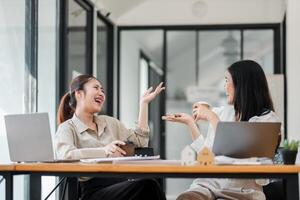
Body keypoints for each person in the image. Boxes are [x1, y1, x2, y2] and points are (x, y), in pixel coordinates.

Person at [163, 60, 281, 200]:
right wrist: (190, 123)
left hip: (242, 191)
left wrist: (212, 117)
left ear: (242, 84)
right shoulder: (224, 113)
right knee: (186, 198)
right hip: (208, 185)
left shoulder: (268, 121)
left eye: (227, 81)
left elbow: (259, 172)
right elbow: (206, 156)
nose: (224, 87)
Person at [55, 74, 166, 200]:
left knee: (153, 181)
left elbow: (140, 142)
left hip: (120, 183)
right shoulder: (67, 128)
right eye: (96, 88)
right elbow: (66, 156)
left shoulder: (109, 122)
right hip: (93, 191)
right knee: (148, 186)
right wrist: (104, 151)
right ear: (79, 94)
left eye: (102, 90)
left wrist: (144, 104)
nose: (101, 93)